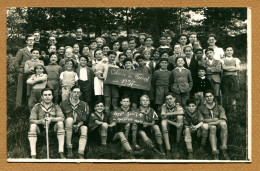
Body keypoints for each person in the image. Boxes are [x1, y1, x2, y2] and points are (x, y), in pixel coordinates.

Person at [28, 88, 65, 159]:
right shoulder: (37, 107)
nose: (47, 97)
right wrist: (40, 121)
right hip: (40, 128)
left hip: (52, 128)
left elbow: (62, 118)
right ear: (42, 96)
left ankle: (61, 152)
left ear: (52, 96)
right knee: (32, 126)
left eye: (49, 95)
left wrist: (52, 119)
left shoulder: (56, 106)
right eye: (45, 95)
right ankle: (33, 154)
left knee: (60, 123)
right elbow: (31, 120)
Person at [198, 90, 230, 160]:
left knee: (224, 124)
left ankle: (223, 149)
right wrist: (215, 120)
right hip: (207, 127)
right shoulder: (201, 108)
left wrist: (210, 121)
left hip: (217, 126)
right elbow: (201, 121)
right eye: (206, 97)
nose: (209, 98)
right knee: (213, 128)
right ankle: (215, 152)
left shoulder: (219, 107)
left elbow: (223, 119)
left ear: (213, 97)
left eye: (210, 96)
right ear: (204, 98)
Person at [60, 85, 89, 159]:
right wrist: (68, 124)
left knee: (85, 128)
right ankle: (69, 148)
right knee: (69, 120)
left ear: (80, 94)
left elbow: (84, 119)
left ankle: (80, 152)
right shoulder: (63, 103)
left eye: (78, 92)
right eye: (74, 92)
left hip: (78, 126)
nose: (76, 94)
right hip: (67, 126)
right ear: (70, 92)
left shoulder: (84, 104)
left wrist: (78, 125)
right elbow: (61, 117)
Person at [161, 93, 184, 158]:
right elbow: (163, 117)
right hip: (169, 124)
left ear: (174, 99)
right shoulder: (164, 107)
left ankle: (178, 141)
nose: (169, 100)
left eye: (170, 98)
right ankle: (168, 148)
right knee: (163, 122)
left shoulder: (177, 106)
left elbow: (181, 112)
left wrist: (168, 114)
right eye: (167, 99)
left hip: (178, 123)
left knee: (180, 117)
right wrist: (175, 124)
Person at [14, 34, 35, 107]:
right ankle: (19, 106)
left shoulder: (35, 51)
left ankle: (28, 106)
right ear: (26, 41)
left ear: (34, 41)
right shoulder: (22, 50)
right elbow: (16, 61)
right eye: (29, 40)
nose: (30, 41)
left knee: (30, 89)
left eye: (32, 40)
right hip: (23, 72)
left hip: (33, 73)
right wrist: (19, 70)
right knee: (21, 89)